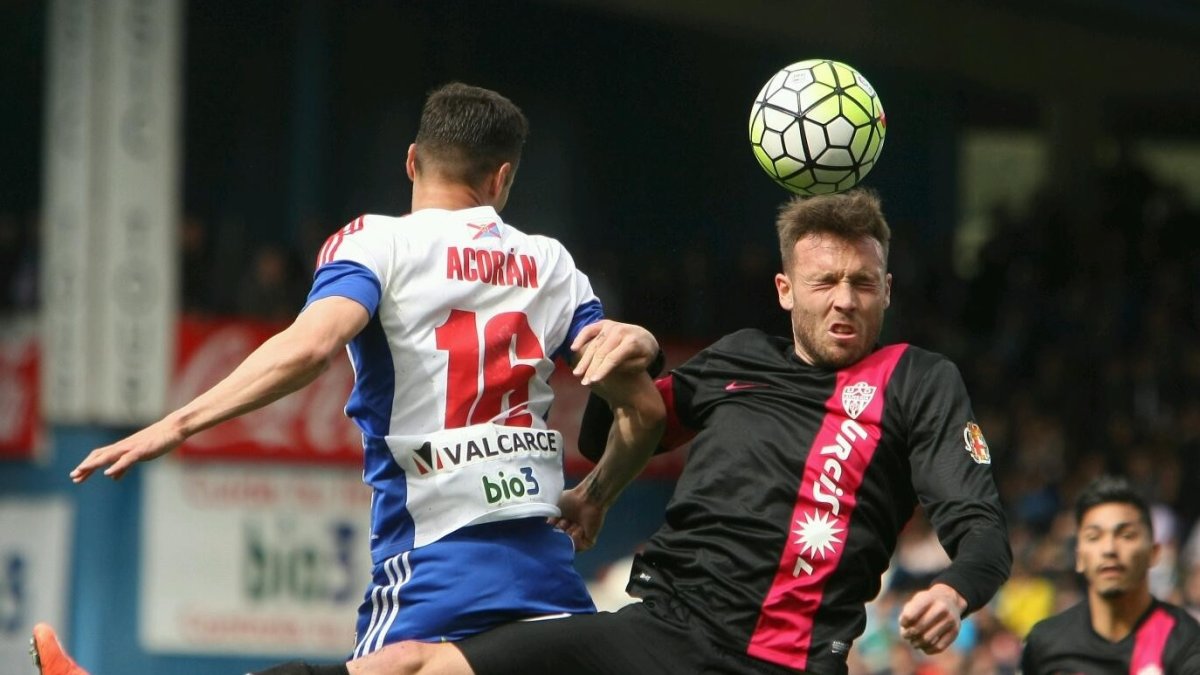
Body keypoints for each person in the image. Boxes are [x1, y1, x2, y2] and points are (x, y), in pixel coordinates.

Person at [185, 186, 1011, 675]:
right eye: (825, 280)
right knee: (416, 660)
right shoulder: (736, 359)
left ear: (888, 288)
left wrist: (954, 588)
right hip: (656, 636)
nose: (845, 299)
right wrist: (624, 384)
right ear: (786, 289)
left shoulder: (917, 380)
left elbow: (982, 533)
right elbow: (621, 424)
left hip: (779, 662)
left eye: (863, 282)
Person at [38, 82, 665, 675]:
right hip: (543, 569)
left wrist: (175, 424)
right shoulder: (549, 262)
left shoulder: (376, 243)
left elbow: (310, 349)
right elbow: (645, 412)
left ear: (412, 160)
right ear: (502, 179)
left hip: (432, 565)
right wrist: (598, 496)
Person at [1020, 475, 1200, 674]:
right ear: (1079, 557)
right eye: (1094, 537)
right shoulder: (1045, 643)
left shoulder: (1185, 641)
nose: (1109, 549)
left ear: (1153, 553)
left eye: (1126, 535)